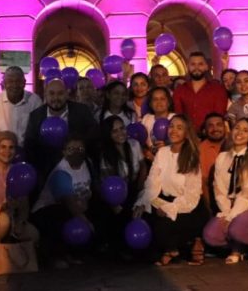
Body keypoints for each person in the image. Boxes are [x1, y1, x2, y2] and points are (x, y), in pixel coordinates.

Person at [133, 115, 208, 266]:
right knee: (141, 217)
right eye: (171, 126)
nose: (173, 131)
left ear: (186, 133)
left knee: (162, 228)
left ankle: (175, 247)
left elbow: (191, 196)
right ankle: (170, 249)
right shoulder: (162, 152)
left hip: (186, 206)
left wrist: (169, 209)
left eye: (179, 128)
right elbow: (152, 181)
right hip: (163, 200)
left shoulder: (191, 157)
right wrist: (143, 202)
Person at [203, 118, 248, 265]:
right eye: (237, 128)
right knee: (210, 235)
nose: (240, 133)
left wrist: (230, 217)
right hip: (228, 205)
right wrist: (226, 210)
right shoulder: (222, 157)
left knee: (236, 228)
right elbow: (218, 188)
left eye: (245, 130)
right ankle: (236, 248)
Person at [30, 137, 95, 268]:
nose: (76, 152)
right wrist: (87, 223)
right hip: (47, 210)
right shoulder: (61, 172)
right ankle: (56, 256)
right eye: (71, 149)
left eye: (80, 148)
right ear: (64, 152)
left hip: (79, 204)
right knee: (62, 214)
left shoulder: (87, 164)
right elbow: (69, 202)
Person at [24, 79, 98, 183]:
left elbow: (94, 137)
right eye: (51, 93)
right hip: (46, 174)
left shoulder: (82, 111)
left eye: (60, 93)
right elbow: (29, 146)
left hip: (79, 170)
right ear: (45, 94)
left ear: (67, 94)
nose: (56, 98)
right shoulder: (36, 116)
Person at [93, 116, 148, 256]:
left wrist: (140, 193)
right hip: (115, 195)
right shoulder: (106, 154)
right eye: (114, 131)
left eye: (122, 128)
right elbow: (107, 183)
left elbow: (143, 168)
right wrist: (114, 204)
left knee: (141, 212)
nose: (120, 133)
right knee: (119, 215)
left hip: (134, 188)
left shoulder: (134, 144)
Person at [0, 131, 38, 246]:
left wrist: (20, 222)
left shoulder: (19, 172)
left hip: (13, 219)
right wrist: (7, 205)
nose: (7, 151)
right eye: (3, 147)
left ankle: (17, 261)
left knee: (33, 234)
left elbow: (24, 205)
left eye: (11, 147)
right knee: (4, 221)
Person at [0, 67, 41, 150]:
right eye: (10, 81)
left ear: (24, 83)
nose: (14, 85)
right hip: (1, 154)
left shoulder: (35, 101)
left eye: (18, 81)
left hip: (29, 153)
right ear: (4, 83)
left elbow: (40, 131)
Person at [172, 52, 229, 130]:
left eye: (200, 64)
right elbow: (179, 117)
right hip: (188, 136)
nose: (196, 68)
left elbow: (219, 116)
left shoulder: (218, 90)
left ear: (206, 67)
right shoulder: (180, 90)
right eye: (193, 64)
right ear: (188, 67)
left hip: (211, 135)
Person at [199, 113, 228, 207]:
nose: (215, 129)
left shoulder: (235, 143)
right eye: (210, 126)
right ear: (205, 130)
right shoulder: (201, 149)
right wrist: (210, 209)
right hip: (214, 199)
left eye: (219, 125)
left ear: (225, 127)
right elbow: (204, 183)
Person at [141, 86, 174, 157]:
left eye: (162, 99)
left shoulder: (175, 118)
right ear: (150, 103)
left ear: (168, 102)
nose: (159, 102)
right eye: (155, 99)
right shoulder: (146, 118)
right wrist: (147, 153)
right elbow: (142, 142)